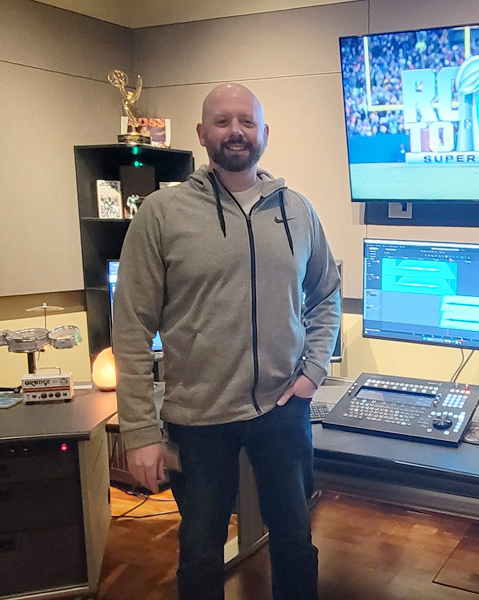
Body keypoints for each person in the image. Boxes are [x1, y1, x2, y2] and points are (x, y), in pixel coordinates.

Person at [113, 82, 340, 600]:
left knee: (295, 542)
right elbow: (130, 326)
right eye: (222, 121)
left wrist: (313, 371)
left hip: (282, 409)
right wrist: (140, 431)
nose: (235, 131)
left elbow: (326, 292)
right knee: (199, 552)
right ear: (201, 133)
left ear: (264, 132)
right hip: (199, 418)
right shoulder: (162, 214)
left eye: (246, 121)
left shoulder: (297, 210)